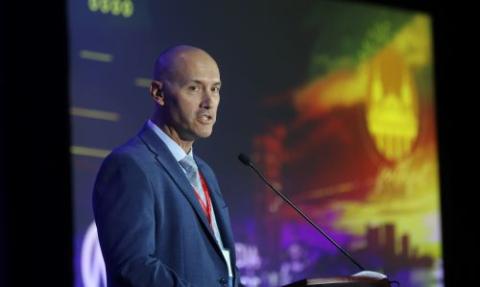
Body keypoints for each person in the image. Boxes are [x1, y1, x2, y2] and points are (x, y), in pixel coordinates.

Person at [93, 45, 242, 287]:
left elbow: (223, 271)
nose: (209, 102)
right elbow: (134, 267)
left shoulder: (205, 172)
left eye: (215, 89)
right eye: (194, 88)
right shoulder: (129, 167)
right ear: (158, 93)